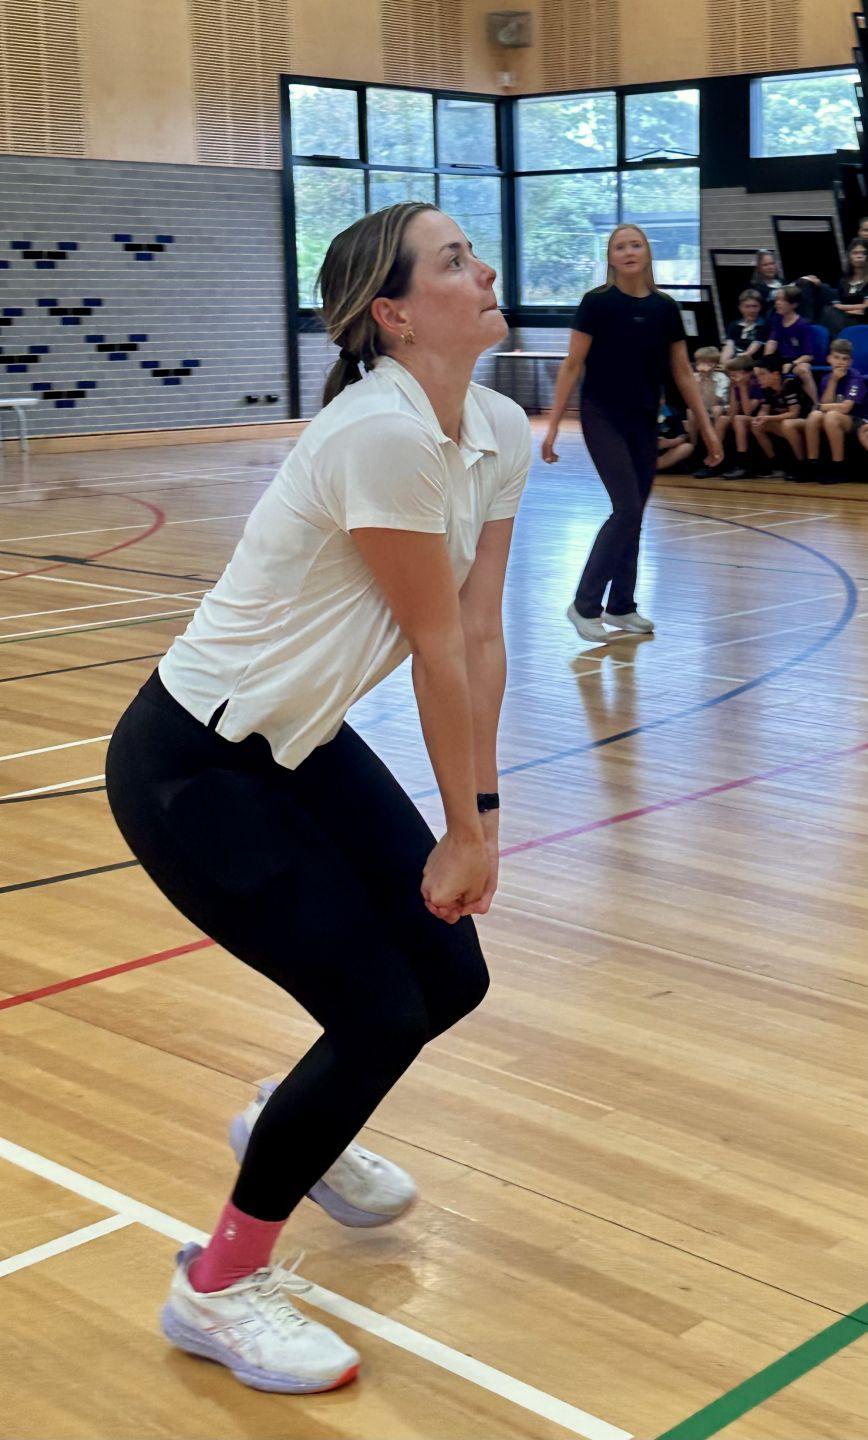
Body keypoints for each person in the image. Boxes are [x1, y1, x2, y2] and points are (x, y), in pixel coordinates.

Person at [104, 201, 531, 1394]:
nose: (483, 269)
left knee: (449, 978)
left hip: (300, 745)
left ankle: (293, 1120)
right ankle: (216, 1285)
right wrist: (460, 831)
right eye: (454, 260)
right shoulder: (378, 434)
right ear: (393, 314)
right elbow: (432, 645)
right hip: (195, 763)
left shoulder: (493, 425)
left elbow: (482, 636)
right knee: (380, 1014)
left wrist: (484, 818)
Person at [542, 224, 723, 643]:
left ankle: (621, 605)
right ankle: (584, 605)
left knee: (635, 513)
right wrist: (552, 426)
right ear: (610, 257)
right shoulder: (596, 303)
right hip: (601, 416)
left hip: (643, 420)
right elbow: (572, 365)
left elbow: (682, 371)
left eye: (635, 245)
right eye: (619, 246)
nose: (628, 251)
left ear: (647, 253)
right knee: (625, 508)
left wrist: (708, 429)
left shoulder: (665, 308)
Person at [800, 337, 867, 483]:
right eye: (836, 357)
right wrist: (834, 380)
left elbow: (846, 408)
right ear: (829, 358)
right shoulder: (827, 378)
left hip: (857, 420)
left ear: (850, 362)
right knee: (814, 416)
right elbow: (825, 403)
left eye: (844, 359)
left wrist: (820, 406)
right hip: (834, 416)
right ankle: (812, 464)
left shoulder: (855, 378)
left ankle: (838, 467)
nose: (840, 362)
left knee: (831, 416)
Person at [751, 352, 812, 478]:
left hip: (805, 421)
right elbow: (764, 409)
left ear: (775, 374)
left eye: (762, 374)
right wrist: (760, 417)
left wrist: (768, 417)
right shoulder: (767, 388)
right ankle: (775, 465)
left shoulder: (789, 384)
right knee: (757, 426)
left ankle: (802, 464)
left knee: (787, 424)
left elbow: (794, 413)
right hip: (787, 423)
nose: (759, 378)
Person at [764, 285, 819, 404]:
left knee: (803, 370)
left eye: (782, 300)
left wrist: (792, 364)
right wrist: (766, 361)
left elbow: (809, 355)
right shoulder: (777, 319)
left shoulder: (802, 325)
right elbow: (772, 342)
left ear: (793, 304)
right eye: (777, 299)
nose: (777, 303)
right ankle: (768, 405)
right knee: (758, 368)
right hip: (781, 359)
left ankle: (816, 405)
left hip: (798, 360)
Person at [688, 346, 730, 475]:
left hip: (719, 408)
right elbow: (693, 400)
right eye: (699, 361)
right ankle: (695, 451)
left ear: (714, 363)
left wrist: (708, 380)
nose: (700, 365)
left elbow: (715, 401)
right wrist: (700, 381)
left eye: (704, 361)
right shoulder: (694, 377)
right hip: (702, 408)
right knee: (691, 412)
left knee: (716, 410)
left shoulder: (722, 378)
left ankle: (714, 454)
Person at [721, 354, 764, 478]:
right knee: (722, 420)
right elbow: (732, 412)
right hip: (744, 418)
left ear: (746, 374)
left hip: (759, 417)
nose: (732, 378)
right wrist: (733, 390)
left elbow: (748, 411)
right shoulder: (736, 385)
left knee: (738, 419)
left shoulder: (757, 385)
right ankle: (718, 460)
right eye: (731, 375)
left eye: (734, 375)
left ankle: (743, 464)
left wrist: (743, 388)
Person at [822, 239, 868, 336]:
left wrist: (841, 307)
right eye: (855, 253)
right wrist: (851, 309)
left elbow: (865, 306)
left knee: (832, 313)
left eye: (863, 253)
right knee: (828, 310)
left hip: (862, 319)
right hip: (843, 317)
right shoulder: (843, 280)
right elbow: (836, 302)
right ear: (849, 256)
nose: (859, 256)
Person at [720, 289, 767, 364]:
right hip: (734, 361)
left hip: (752, 362)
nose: (751, 310)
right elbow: (729, 346)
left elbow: (750, 351)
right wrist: (724, 362)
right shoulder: (734, 325)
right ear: (740, 308)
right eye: (747, 306)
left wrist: (733, 362)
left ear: (760, 307)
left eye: (755, 306)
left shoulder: (763, 325)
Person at [656, 401, 694, 471]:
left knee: (687, 447)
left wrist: (669, 443)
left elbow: (684, 437)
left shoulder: (671, 411)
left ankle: (656, 465)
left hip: (668, 452)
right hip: (647, 452)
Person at [750, 248, 786, 317]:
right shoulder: (756, 289)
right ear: (759, 268)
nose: (770, 267)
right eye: (765, 265)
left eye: (772, 263)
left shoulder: (784, 282)